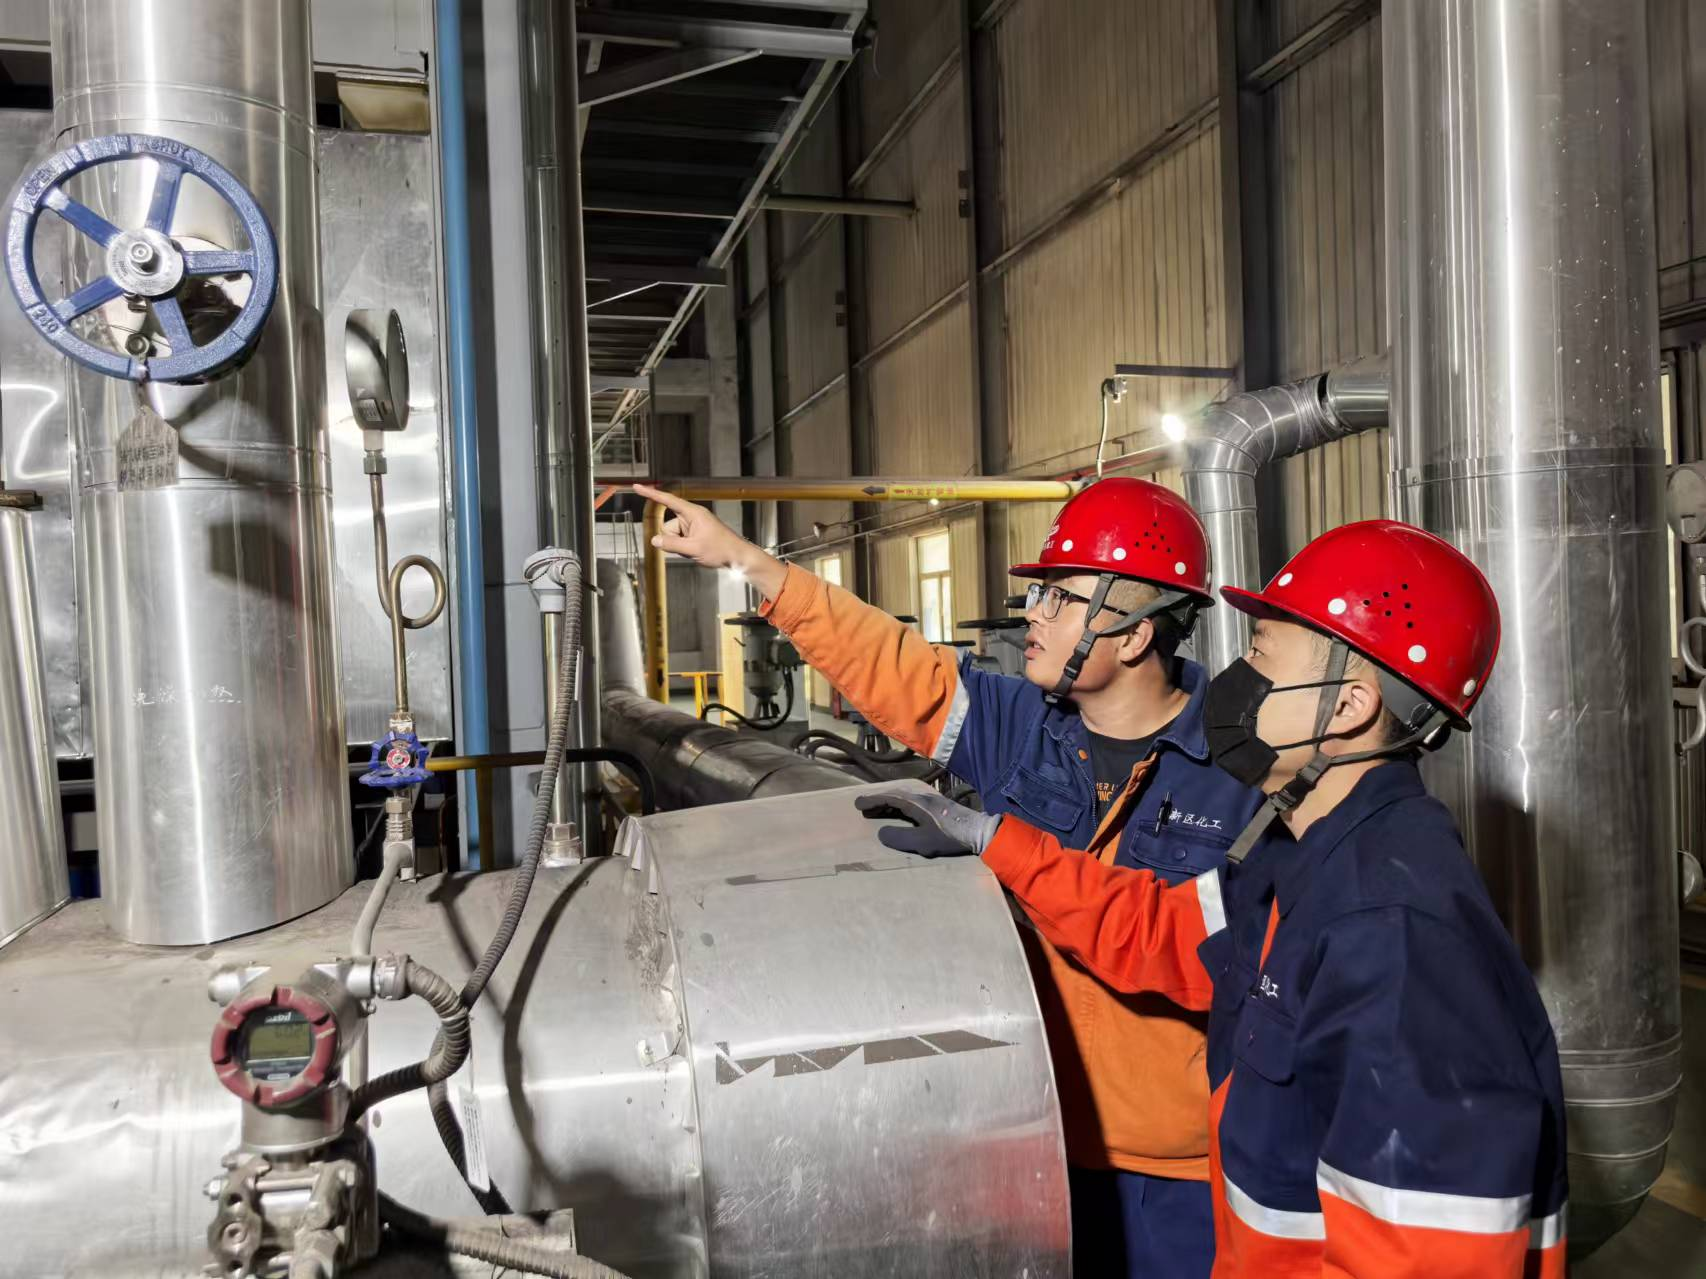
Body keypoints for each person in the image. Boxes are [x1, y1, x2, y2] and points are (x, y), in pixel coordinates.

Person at [857, 519, 1569, 1278]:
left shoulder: (1394, 934)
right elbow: (1157, 932)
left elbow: (1423, 1260)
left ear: (1349, 706)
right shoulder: (1299, 861)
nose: (1233, 680)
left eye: (1262, 655)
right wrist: (993, 839)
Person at [636, 478, 1265, 1278]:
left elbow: (1217, 958)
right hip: (1020, 1133)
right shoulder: (1021, 727)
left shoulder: (1243, 774)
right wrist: (747, 561)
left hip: (1175, 1174)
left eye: (1059, 598)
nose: (1033, 615)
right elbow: (892, 664)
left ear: (1135, 633)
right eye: (1038, 594)